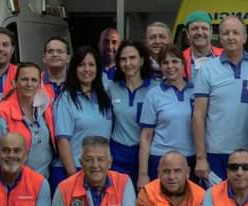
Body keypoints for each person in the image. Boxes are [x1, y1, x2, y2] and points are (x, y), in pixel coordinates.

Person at [192, 15, 248, 186]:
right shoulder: (207, 69)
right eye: (225, 33)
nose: (230, 37)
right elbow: (198, 115)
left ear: (245, 37)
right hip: (217, 153)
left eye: (236, 32)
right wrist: (201, 157)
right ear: (219, 37)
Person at [53, 46, 114, 185]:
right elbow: (62, 140)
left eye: (91, 65)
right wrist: (72, 176)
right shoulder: (66, 99)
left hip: (99, 169)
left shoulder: (104, 96)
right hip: (73, 170)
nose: (87, 69)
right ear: (74, 68)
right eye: (81, 65)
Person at [138, 44, 196, 185]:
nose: (170, 66)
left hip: (189, 158)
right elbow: (146, 137)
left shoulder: (196, 91)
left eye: (175, 61)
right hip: (161, 159)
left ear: (183, 64)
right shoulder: (153, 94)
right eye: (165, 62)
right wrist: (143, 174)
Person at [0, 62, 55, 179]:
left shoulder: (45, 108)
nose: (29, 84)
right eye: (24, 79)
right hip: (17, 182)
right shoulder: (1, 114)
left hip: (44, 181)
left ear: (40, 84)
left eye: (34, 80)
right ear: (15, 83)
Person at [107, 40, 151, 183]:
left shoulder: (154, 89)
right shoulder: (111, 87)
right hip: (119, 154)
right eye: (123, 59)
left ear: (142, 60)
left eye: (132, 58)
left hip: (147, 154)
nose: (128, 63)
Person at [182, 11, 221, 83]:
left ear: (211, 32)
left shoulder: (225, 55)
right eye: (194, 28)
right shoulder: (180, 59)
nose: (200, 32)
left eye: (204, 28)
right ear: (187, 34)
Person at [42, 35, 70, 101]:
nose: (55, 54)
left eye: (60, 51)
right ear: (44, 58)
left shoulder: (77, 83)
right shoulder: (35, 83)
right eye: (50, 51)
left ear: (68, 58)